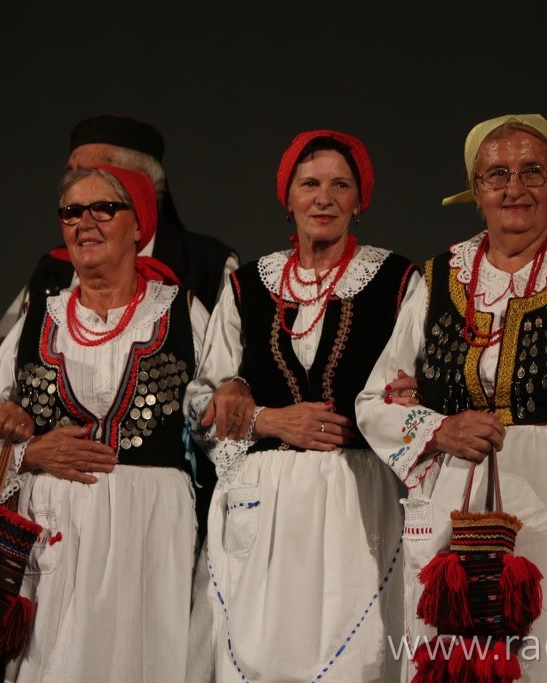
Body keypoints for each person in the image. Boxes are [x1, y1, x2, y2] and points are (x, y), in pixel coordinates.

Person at [355, 113, 547, 681]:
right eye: (497, 174)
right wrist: (439, 428)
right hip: (452, 502)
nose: (515, 187)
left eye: (533, 171)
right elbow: (374, 399)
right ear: (476, 190)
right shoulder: (439, 277)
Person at [183, 129, 417, 682]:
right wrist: (267, 419)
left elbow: (414, 382)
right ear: (287, 197)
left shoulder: (398, 281)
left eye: (341, 185)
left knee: (353, 651)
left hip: (357, 495)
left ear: (360, 200)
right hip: (266, 501)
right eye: (309, 184)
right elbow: (200, 402)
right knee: (261, 650)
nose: (324, 198)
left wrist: (414, 392)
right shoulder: (247, 286)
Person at [0, 164, 210, 682]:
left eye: (104, 208)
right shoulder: (40, 317)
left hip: (150, 533)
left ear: (138, 226)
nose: (85, 222)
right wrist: (27, 450)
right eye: (72, 212)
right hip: (55, 534)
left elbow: (217, 413)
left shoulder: (184, 313)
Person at [0, 113, 238, 354]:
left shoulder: (209, 267)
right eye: (71, 173)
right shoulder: (53, 270)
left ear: (141, 188)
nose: (74, 186)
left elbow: (230, 369)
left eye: (90, 173)